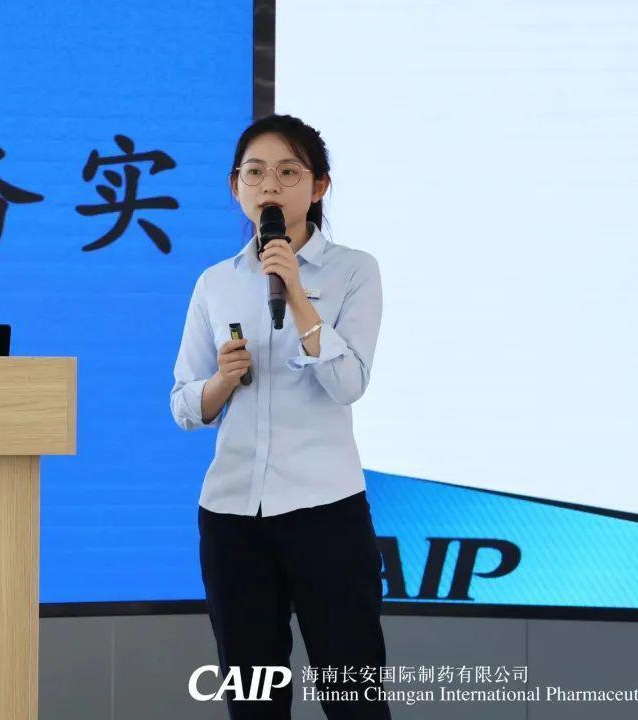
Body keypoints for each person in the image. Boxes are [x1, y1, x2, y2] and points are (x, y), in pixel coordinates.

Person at [170, 114, 391, 719]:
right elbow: (185, 405)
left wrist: (295, 292)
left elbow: (349, 384)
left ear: (319, 186)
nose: (270, 184)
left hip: (326, 513)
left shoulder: (354, 270)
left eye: (289, 172)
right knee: (254, 706)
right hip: (232, 518)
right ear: (235, 186)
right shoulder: (215, 282)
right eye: (255, 172)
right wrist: (222, 381)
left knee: (354, 701)